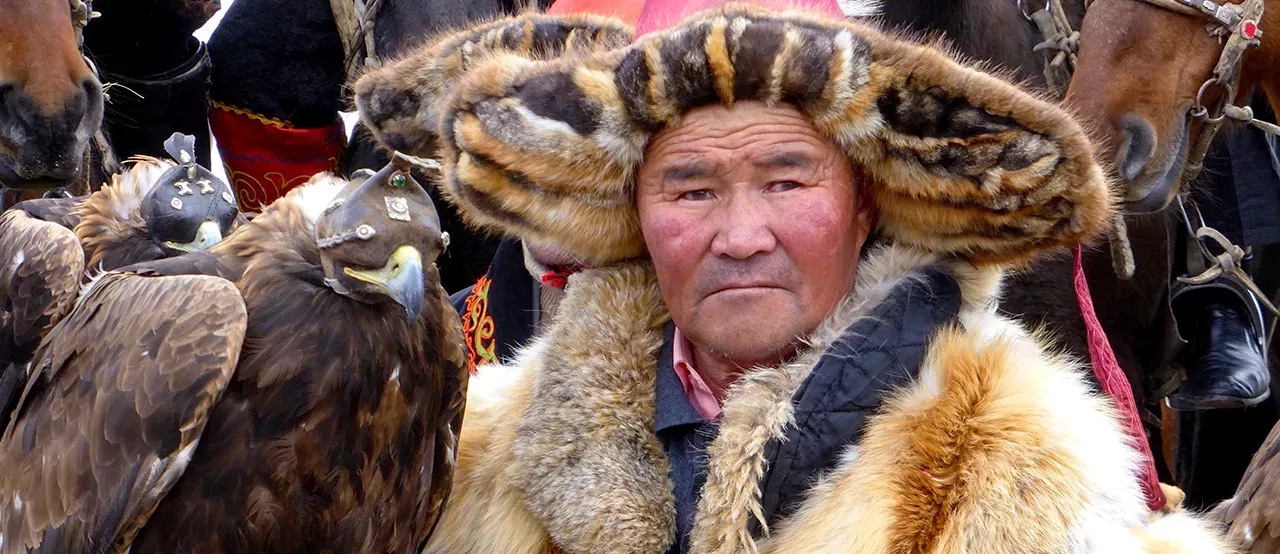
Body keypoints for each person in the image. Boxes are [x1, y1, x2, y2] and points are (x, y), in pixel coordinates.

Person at [363, 0, 1231, 550]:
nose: (741, 237)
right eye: (690, 189)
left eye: (786, 182)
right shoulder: (471, 454)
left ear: (865, 206)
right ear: (633, 216)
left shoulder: (1022, 475)